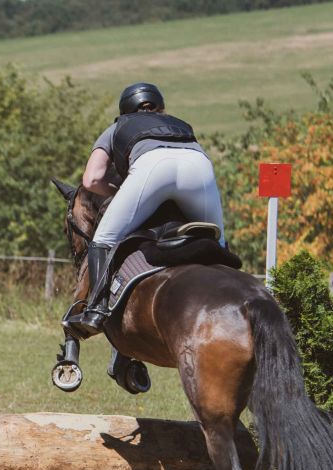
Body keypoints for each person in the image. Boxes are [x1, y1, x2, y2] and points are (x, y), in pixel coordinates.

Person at [68, 82, 226, 337]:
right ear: (160, 108)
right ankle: (234, 293)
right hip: (199, 168)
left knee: (103, 239)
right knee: (218, 239)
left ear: (125, 111)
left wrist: (122, 193)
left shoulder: (117, 127)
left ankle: (96, 310)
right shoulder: (180, 123)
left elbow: (91, 180)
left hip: (153, 169)